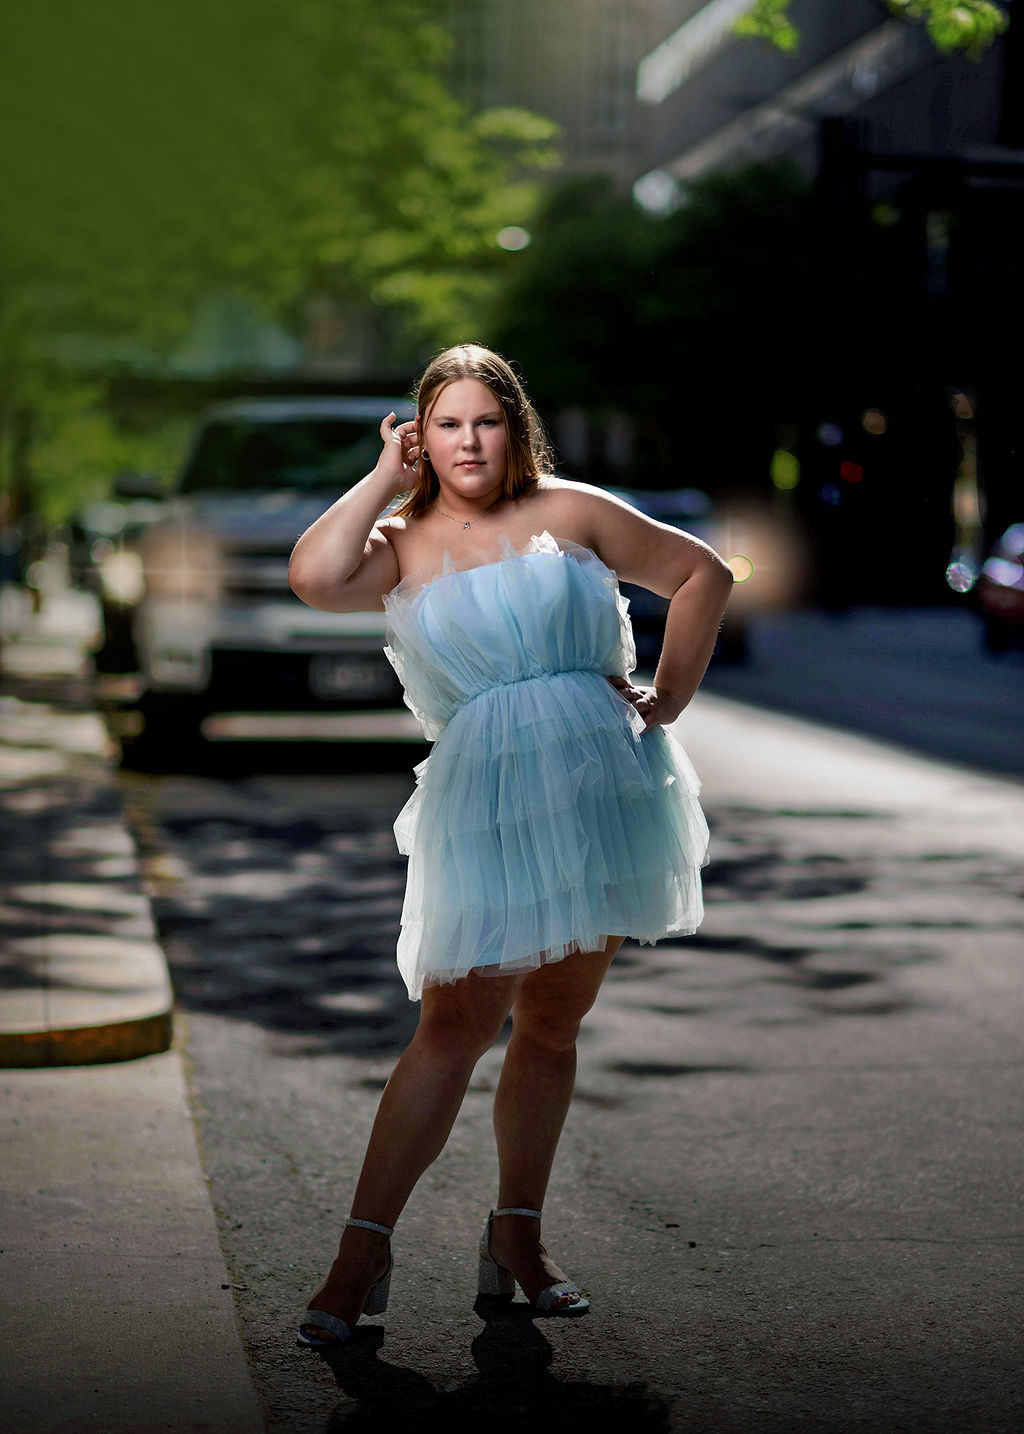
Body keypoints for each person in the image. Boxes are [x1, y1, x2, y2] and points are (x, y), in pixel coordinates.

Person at [288, 343, 733, 1345]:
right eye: (445, 423)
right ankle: (360, 1253)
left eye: (485, 420)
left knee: (553, 1024)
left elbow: (699, 574)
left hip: (600, 785)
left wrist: (668, 695)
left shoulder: (568, 510)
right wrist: (376, 477)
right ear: (419, 436)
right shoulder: (397, 543)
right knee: (452, 1024)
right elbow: (314, 578)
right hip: (484, 795)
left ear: (514, 428)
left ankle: (516, 1241)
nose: (468, 440)